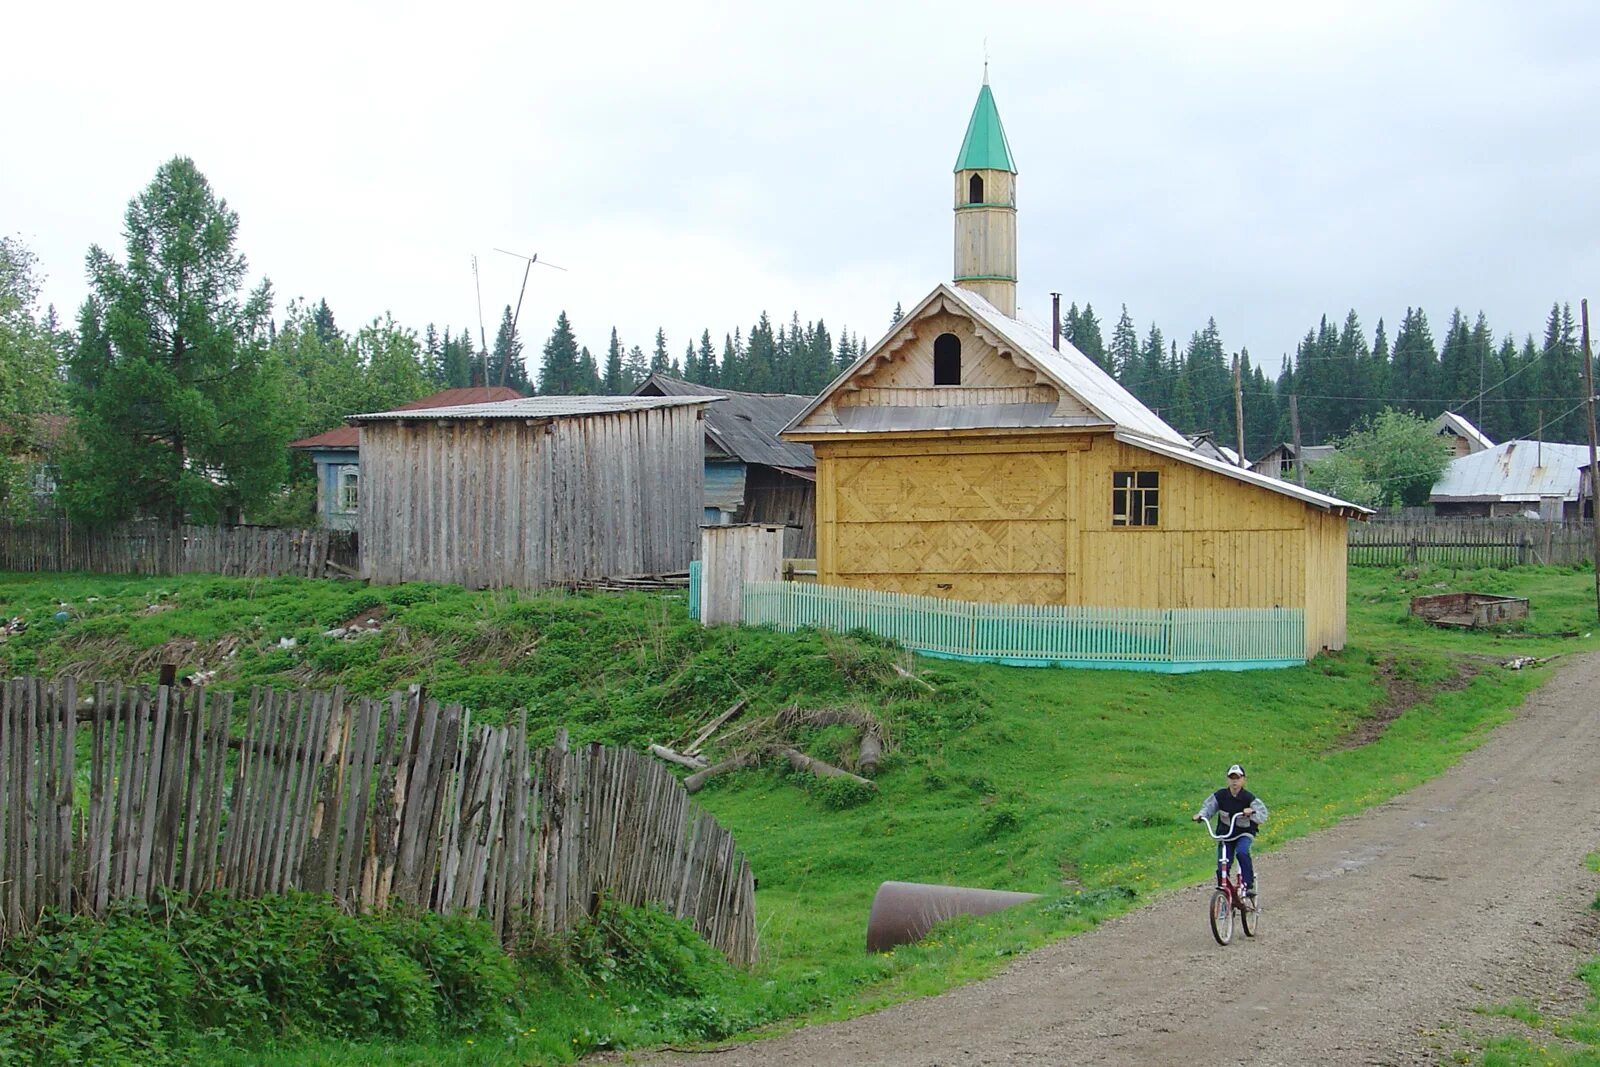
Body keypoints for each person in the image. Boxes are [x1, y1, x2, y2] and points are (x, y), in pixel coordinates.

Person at [1192, 764, 1267, 903]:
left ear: (1243, 780)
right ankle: (1224, 893)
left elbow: (1262, 814)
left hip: (1243, 833)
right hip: (1225, 835)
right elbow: (1208, 807)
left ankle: (1249, 885)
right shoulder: (1220, 795)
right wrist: (1201, 816)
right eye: (1231, 778)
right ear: (1227, 780)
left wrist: (1251, 812)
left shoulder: (1248, 798)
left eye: (1237, 778)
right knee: (1222, 864)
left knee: (1242, 852)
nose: (1234, 781)